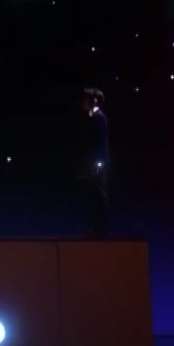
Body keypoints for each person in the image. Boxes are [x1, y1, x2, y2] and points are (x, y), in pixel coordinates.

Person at [79, 87, 111, 237]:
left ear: (94, 100)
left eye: (87, 98)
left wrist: (98, 164)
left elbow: (100, 144)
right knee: (91, 196)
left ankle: (101, 229)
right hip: (91, 164)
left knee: (98, 195)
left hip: (96, 165)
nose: (84, 101)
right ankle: (94, 228)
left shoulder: (99, 118)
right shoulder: (92, 117)